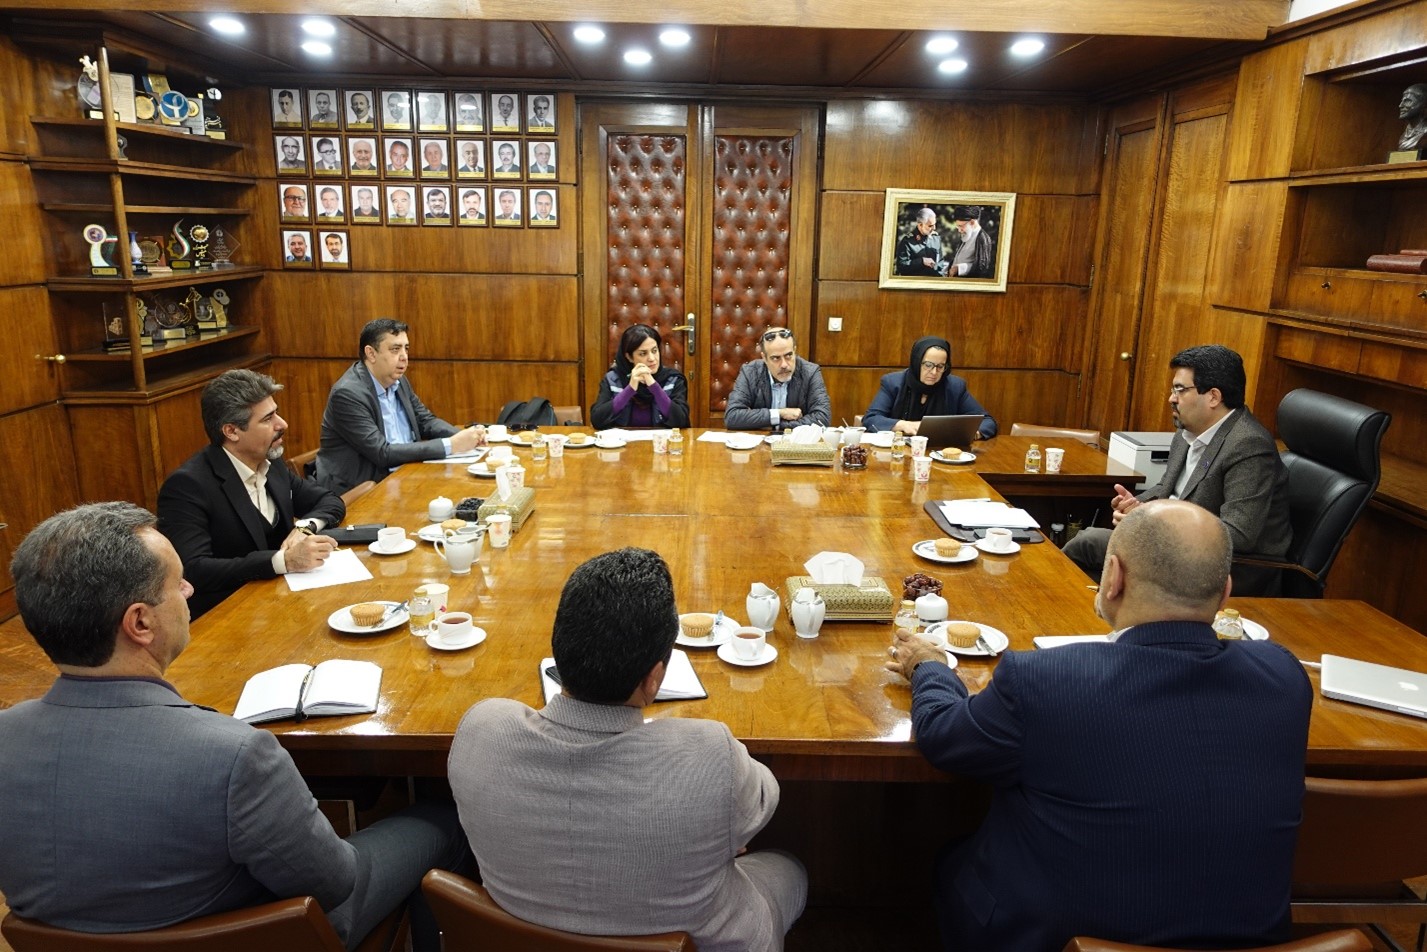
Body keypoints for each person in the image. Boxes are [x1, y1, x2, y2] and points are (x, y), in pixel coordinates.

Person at [0, 502, 470, 950]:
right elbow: (334, 883)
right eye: (178, 584)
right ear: (140, 622)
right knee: (443, 817)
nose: (189, 591)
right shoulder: (233, 755)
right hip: (272, 938)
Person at [886, 499, 1312, 951]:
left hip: (1055, 941)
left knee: (947, 860)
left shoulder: (1043, 681)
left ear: (1113, 577)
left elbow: (944, 736)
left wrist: (929, 666)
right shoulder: (1284, 676)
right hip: (1249, 944)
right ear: (1225, 593)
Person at [449, 548, 807, 952]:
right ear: (653, 679)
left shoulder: (481, 731)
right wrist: (719, 820)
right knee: (789, 868)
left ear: (560, 649)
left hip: (517, 939)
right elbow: (762, 802)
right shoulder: (710, 755)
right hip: (703, 941)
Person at [1063, 344, 1292, 596]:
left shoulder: (1248, 445)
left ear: (1213, 397)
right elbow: (1167, 488)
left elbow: (1238, 534)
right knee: (1091, 557)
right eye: (1173, 390)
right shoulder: (1187, 431)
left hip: (1225, 568)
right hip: (1176, 550)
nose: (1171, 398)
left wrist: (1153, 525)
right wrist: (1135, 506)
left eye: (1180, 390)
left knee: (1088, 543)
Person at [156, 370, 344, 619]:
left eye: (276, 412)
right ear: (232, 431)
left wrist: (305, 528)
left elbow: (329, 501)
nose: (282, 424)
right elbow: (194, 569)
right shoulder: (187, 486)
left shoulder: (271, 463)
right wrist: (283, 561)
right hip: (229, 616)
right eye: (267, 419)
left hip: (285, 602)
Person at [315, 318, 486, 495]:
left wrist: (467, 436)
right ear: (371, 354)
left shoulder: (399, 381)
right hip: (362, 490)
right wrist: (451, 444)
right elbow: (382, 453)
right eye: (395, 349)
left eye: (406, 348)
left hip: (405, 476)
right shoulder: (348, 394)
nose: (404, 356)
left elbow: (426, 421)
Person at [862, 335, 997, 439]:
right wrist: (903, 425)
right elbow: (871, 418)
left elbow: (987, 421)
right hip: (899, 453)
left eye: (940, 366)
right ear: (916, 362)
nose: (934, 372)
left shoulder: (955, 387)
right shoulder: (893, 383)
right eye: (928, 365)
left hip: (941, 454)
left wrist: (974, 433)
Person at [724, 327, 831, 430]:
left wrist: (775, 424)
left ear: (794, 351)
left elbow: (822, 418)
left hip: (795, 442)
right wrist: (779, 413)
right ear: (764, 358)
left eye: (788, 355)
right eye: (776, 358)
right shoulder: (750, 372)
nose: (784, 365)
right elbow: (732, 417)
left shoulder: (810, 372)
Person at [591, 324, 691, 429]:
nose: (652, 358)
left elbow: (681, 421)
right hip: (623, 439)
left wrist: (654, 386)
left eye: (654, 351)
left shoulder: (673, 379)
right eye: (643, 354)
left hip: (661, 439)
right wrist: (630, 389)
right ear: (629, 357)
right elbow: (598, 420)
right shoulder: (613, 379)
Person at [894, 207, 948, 276]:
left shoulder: (936, 238)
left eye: (935, 224)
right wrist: (921, 261)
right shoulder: (907, 241)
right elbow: (901, 266)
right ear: (920, 225)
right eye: (930, 226)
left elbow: (940, 263)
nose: (934, 228)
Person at [948, 204, 995, 278]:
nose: (959, 230)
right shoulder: (966, 234)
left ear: (972, 222)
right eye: (957, 226)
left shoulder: (983, 238)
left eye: (961, 226)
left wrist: (960, 268)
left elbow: (983, 267)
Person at [1399, 83, 1427, 151]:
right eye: (1402, 101)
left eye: (1408, 101)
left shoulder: (1425, 134)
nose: (1400, 105)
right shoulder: (1405, 134)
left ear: (1423, 105)